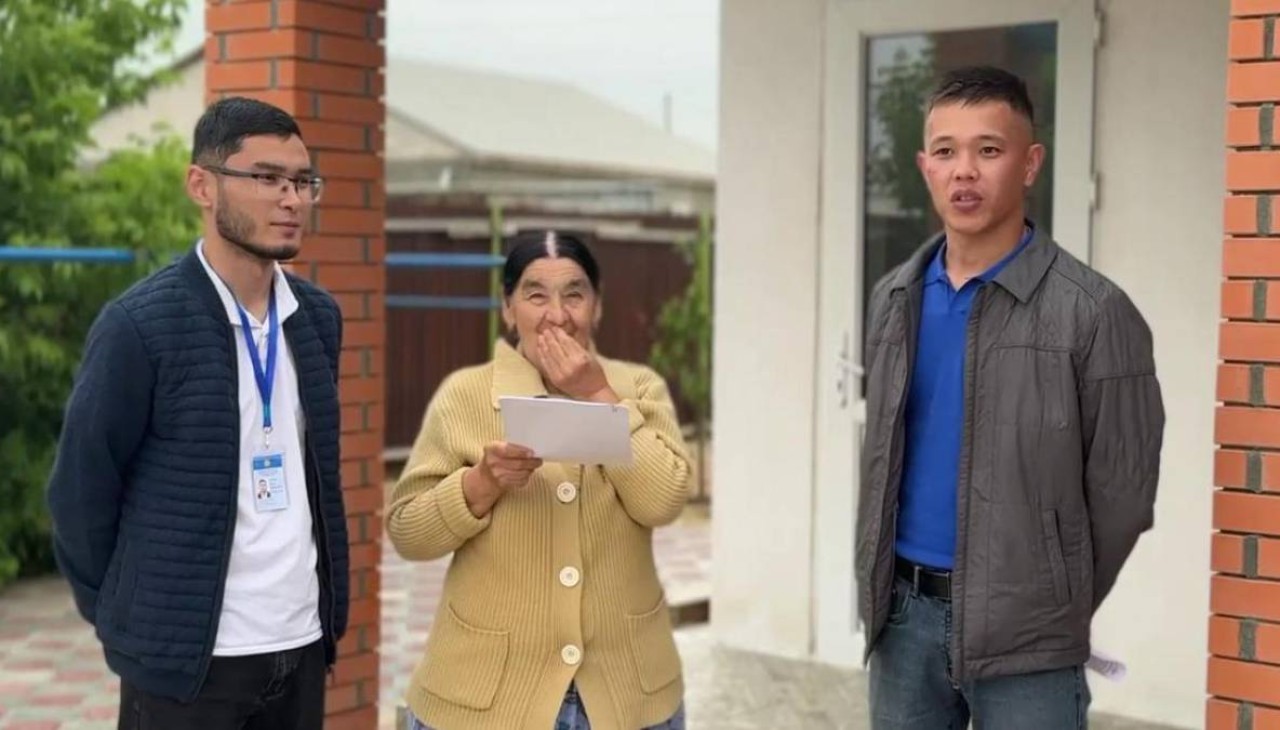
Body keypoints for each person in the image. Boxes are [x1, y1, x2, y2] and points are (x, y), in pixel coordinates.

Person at [856, 66, 1165, 729]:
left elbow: (1124, 494)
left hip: (1031, 641)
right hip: (903, 621)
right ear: (925, 167)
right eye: (946, 151)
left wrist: (1051, 598)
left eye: (988, 149)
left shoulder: (1094, 313)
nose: (964, 171)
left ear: (1029, 164)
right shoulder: (894, 298)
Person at [46, 96, 349, 730]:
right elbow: (80, 488)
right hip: (187, 664)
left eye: (302, 181)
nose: (291, 199)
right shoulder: (140, 326)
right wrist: (128, 615)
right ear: (201, 186)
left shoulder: (317, 319)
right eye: (266, 177)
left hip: (299, 643)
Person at [387, 230, 690, 730]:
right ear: (508, 309)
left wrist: (596, 393)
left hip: (626, 695)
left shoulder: (638, 387)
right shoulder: (465, 395)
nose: (557, 314)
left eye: (574, 294)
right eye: (535, 295)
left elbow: (663, 501)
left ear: (597, 307)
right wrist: (479, 485)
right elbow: (408, 533)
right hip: (483, 699)